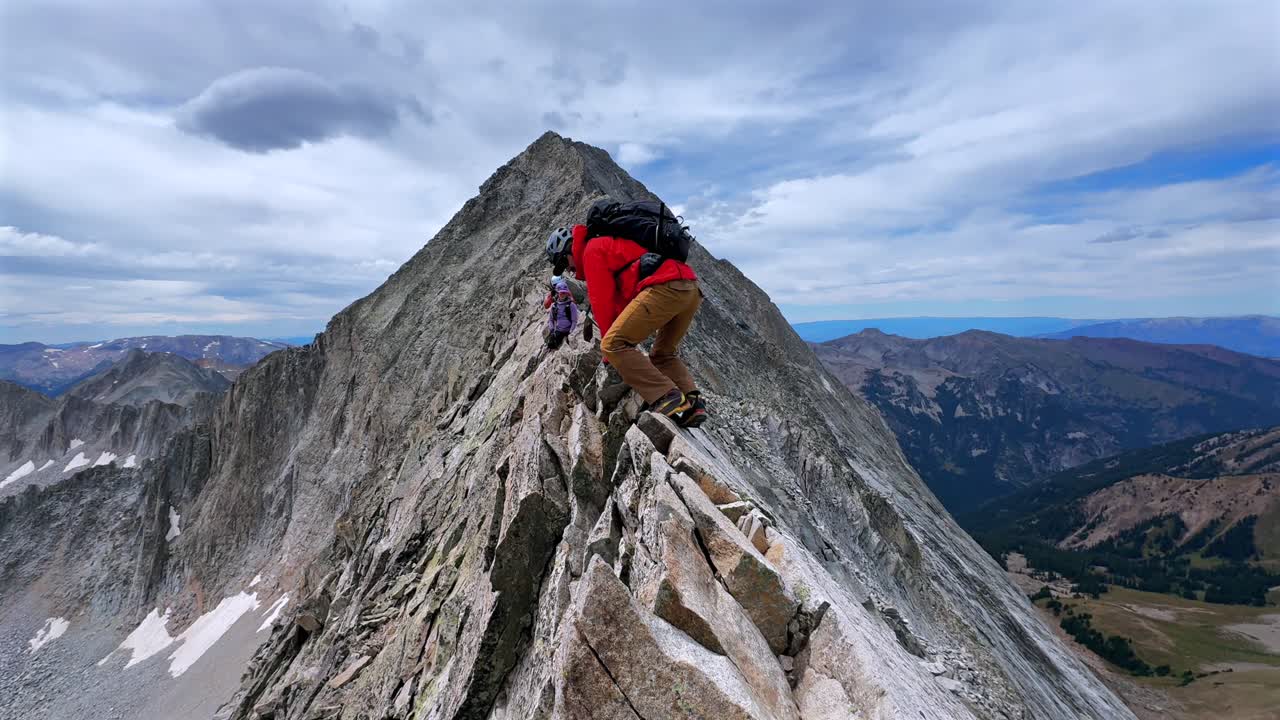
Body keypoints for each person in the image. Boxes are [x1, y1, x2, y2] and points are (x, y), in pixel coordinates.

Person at [544, 223, 708, 427]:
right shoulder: (606, 244)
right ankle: (693, 403)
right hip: (689, 288)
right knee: (663, 353)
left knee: (612, 344)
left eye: (563, 262)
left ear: (570, 249)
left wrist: (609, 354)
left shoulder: (591, 252)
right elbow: (623, 304)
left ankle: (667, 397)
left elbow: (602, 304)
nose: (567, 270)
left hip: (666, 286)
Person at [544, 278, 579, 350]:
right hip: (559, 330)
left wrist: (571, 332)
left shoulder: (571, 305)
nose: (563, 294)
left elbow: (574, 320)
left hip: (568, 331)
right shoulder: (554, 306)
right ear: (557, 293)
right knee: (551, 345)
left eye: (564, 293)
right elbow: (551, 319)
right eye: (561, 293)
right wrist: (552, 330)